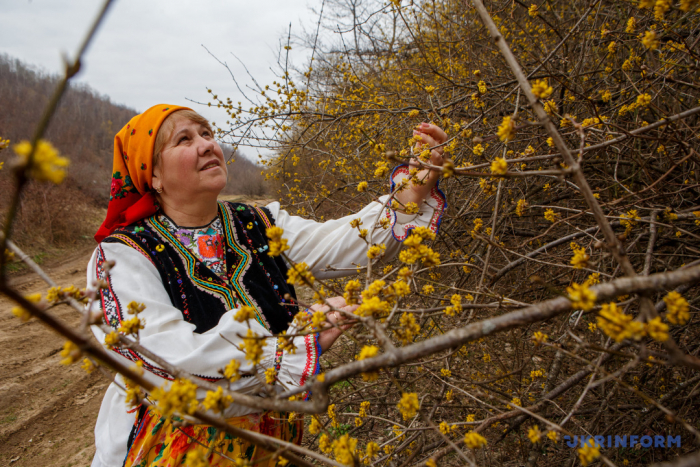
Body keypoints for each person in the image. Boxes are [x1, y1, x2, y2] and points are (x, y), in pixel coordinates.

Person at [87, 104, 446, 466]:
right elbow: (162, 357)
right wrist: (287, 347)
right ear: (154, 176)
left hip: (273, 437)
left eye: (207, 133)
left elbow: (341, 242)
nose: (206, 144)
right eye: (184, 139)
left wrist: (411, 191)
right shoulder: (124, 255)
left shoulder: (256, 222)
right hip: (179, 445)